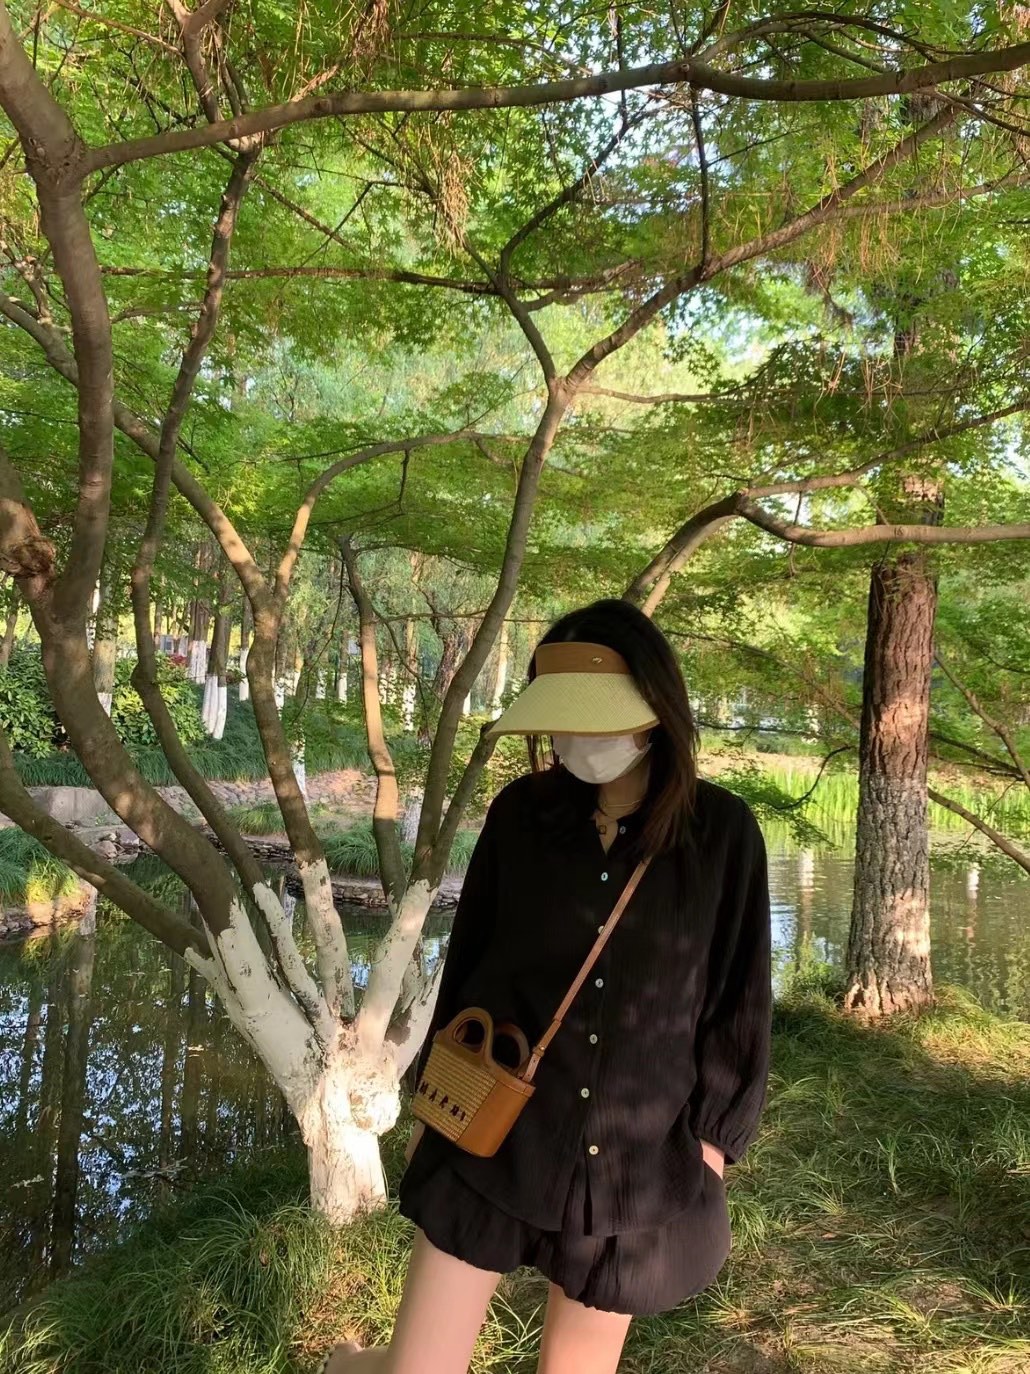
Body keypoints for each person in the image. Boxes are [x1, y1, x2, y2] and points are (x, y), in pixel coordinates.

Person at [320, 597, 772, 1374]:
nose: (578, 740)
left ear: (655, 710)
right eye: (564, 720)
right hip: (497, 1135)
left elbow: (739, 1004)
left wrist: (710, 1148)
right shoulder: (521, 818)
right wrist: (435, 1098)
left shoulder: (722, 836)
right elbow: (470, 966)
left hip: (630, 1166)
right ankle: (349, 1367)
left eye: (596, 719)